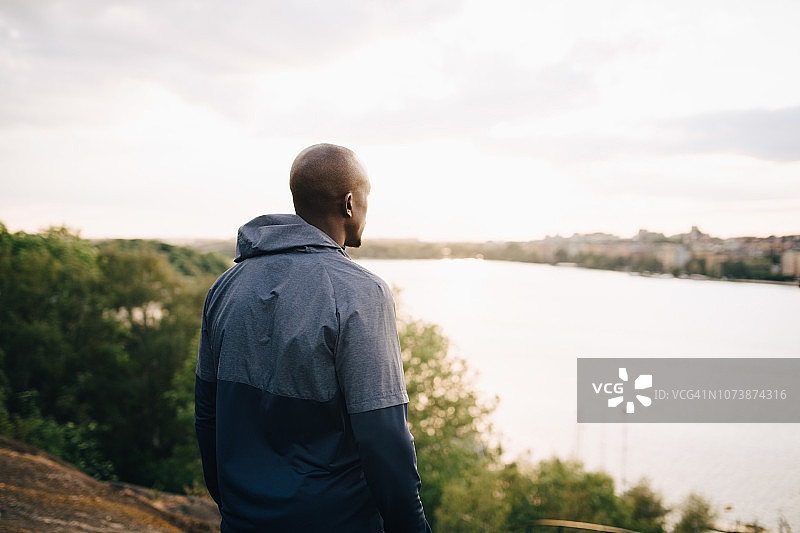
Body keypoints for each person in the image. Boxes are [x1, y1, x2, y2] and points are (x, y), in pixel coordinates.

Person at [195, 143, 432, 533]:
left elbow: (207, 415)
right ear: (350, 203)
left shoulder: (225, 287)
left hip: (243, 521)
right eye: (368, 196)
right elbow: (383, 438)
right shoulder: (360, 292)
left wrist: (236, 505)